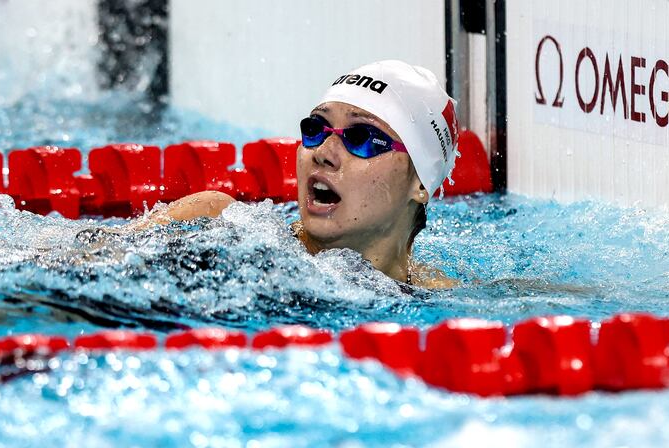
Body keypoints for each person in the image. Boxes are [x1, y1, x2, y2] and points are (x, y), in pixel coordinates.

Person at [141, 60, 461, 288]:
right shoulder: (214, 223)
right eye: (316, 129)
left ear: (420, 182)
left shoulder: (445, 302)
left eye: (361, 138)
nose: (323, 153)